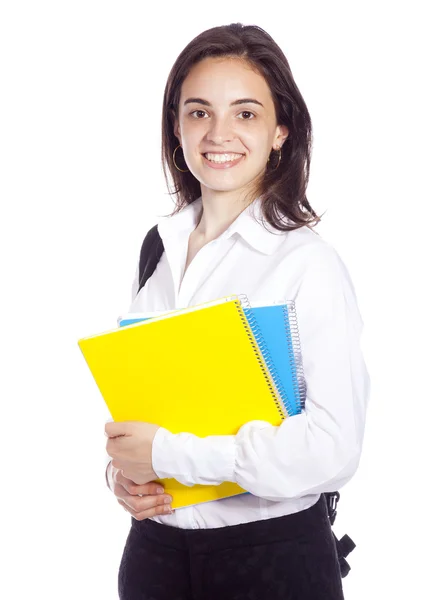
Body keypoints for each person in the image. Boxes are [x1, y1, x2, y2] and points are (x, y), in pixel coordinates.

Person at [104, 22, 371, 600]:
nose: (218, 132)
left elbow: (333, 448)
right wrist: (127, 478)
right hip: (155, 556)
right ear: (176, 128)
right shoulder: (158, 250)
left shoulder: (307, 264)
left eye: (245, 113)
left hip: (271, 560)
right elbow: (148, 413)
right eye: (198, 112)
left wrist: (170, 455)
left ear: (281, 130)